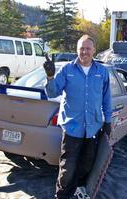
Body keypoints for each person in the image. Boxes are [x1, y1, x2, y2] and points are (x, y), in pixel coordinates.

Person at [43, 34, 112, 199]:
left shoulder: (102, 72)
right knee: (68, 166)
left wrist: (108, 122)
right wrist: (50, 76)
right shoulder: (67, 70)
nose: (85, 52)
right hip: (72, 128)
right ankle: (62, 195)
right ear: (77, 50)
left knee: (87, 163)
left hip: (93, 127)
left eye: (88, 48)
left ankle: (80, 189)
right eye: (82, 48)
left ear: (94, 50)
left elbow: (106, 99)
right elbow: (52, 93)